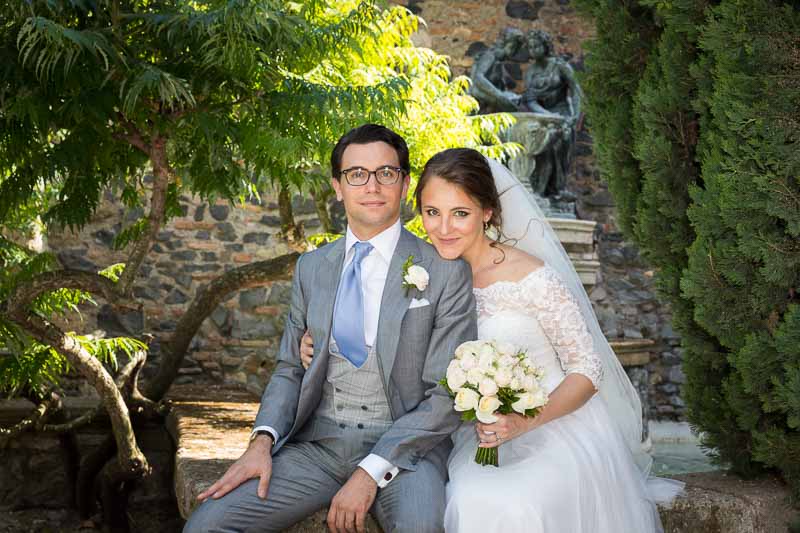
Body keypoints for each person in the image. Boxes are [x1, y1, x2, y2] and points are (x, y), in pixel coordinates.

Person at [301, 148, 683, 532]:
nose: (444, 228)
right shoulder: (419, 274)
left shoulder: (532, 277)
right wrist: (315, 342)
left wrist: (521, 421)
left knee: (512, 503)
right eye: (433, 213)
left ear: (486, 212)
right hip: (474, 436)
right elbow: (375, 336)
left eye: (460, 213)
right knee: (470, 498)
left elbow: (587, 368)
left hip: (553, 428)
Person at [183, 125, 477, 533]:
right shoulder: (311, 267)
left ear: (405, 183)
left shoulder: (445, 271)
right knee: (206, 527)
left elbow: (445, 394)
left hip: (406, 454)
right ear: (338, 186)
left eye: (386, 173)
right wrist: (261, 441)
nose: (371, 185)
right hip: (317, 448)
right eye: (357, 174)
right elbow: (290, 367)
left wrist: (369, 472)